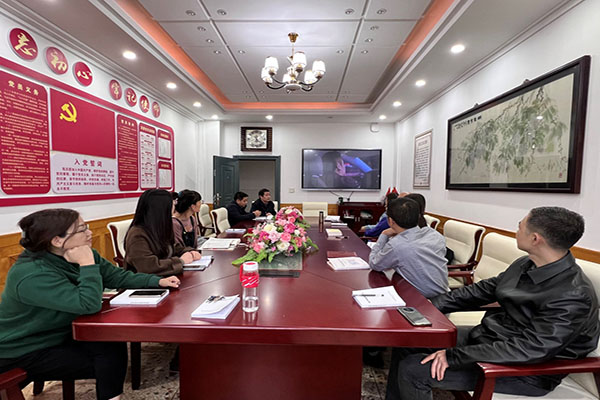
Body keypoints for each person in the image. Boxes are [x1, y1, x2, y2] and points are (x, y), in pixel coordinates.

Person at [388, 206, 599, 400]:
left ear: (535, 239)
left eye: (520, 226)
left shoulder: (573, 295)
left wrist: (453, 356)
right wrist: (427, 306)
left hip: (525, 371)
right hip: (492, 339)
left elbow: (529, 349)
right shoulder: (527, 263)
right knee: (410, 340)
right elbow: (481, 290)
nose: (517, 230)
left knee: (413, 370)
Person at [0, 209, 180, 400]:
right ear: (57, 240)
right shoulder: (32, 274)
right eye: (82, 229)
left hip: (57, 334)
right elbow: (88, 304)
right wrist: (87, 265)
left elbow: (116, 276)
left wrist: (156, 281)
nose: (89, 233)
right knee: (107, 360)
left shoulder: (79, 254)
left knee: (110, 343)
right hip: (21, 350)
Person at [368, 197, 448, 298]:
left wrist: (384, 234)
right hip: (445, 295)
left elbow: (374, 263)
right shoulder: (435, 235)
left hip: (421, 299)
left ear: (390, 221)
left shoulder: (397, 245)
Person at [125, 189, 201, 276]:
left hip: (164, 277)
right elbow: (148, 267)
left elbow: (173, 247)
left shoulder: (160, 227)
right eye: (172, 205)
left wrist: (190, 251)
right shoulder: (137, 234)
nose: (174, 208)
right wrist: (180, 261)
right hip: (146, 281)